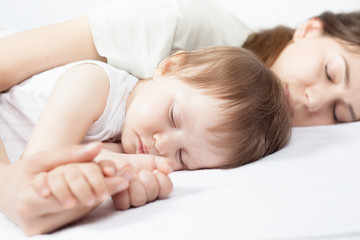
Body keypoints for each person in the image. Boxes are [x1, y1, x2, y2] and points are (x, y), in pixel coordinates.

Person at [0, 46, 292, 235]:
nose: (162, 145)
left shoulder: (127, 139)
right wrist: (113, 165)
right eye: (174, 117)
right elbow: (36, 170)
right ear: (169, 67)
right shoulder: (93, 84)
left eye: (182, 157)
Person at [1, 0, 358, 126]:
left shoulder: (256, 135)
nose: (314, 101)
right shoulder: (182, 23)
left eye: (340, 113)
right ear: (310, 30)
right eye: (330, 72)